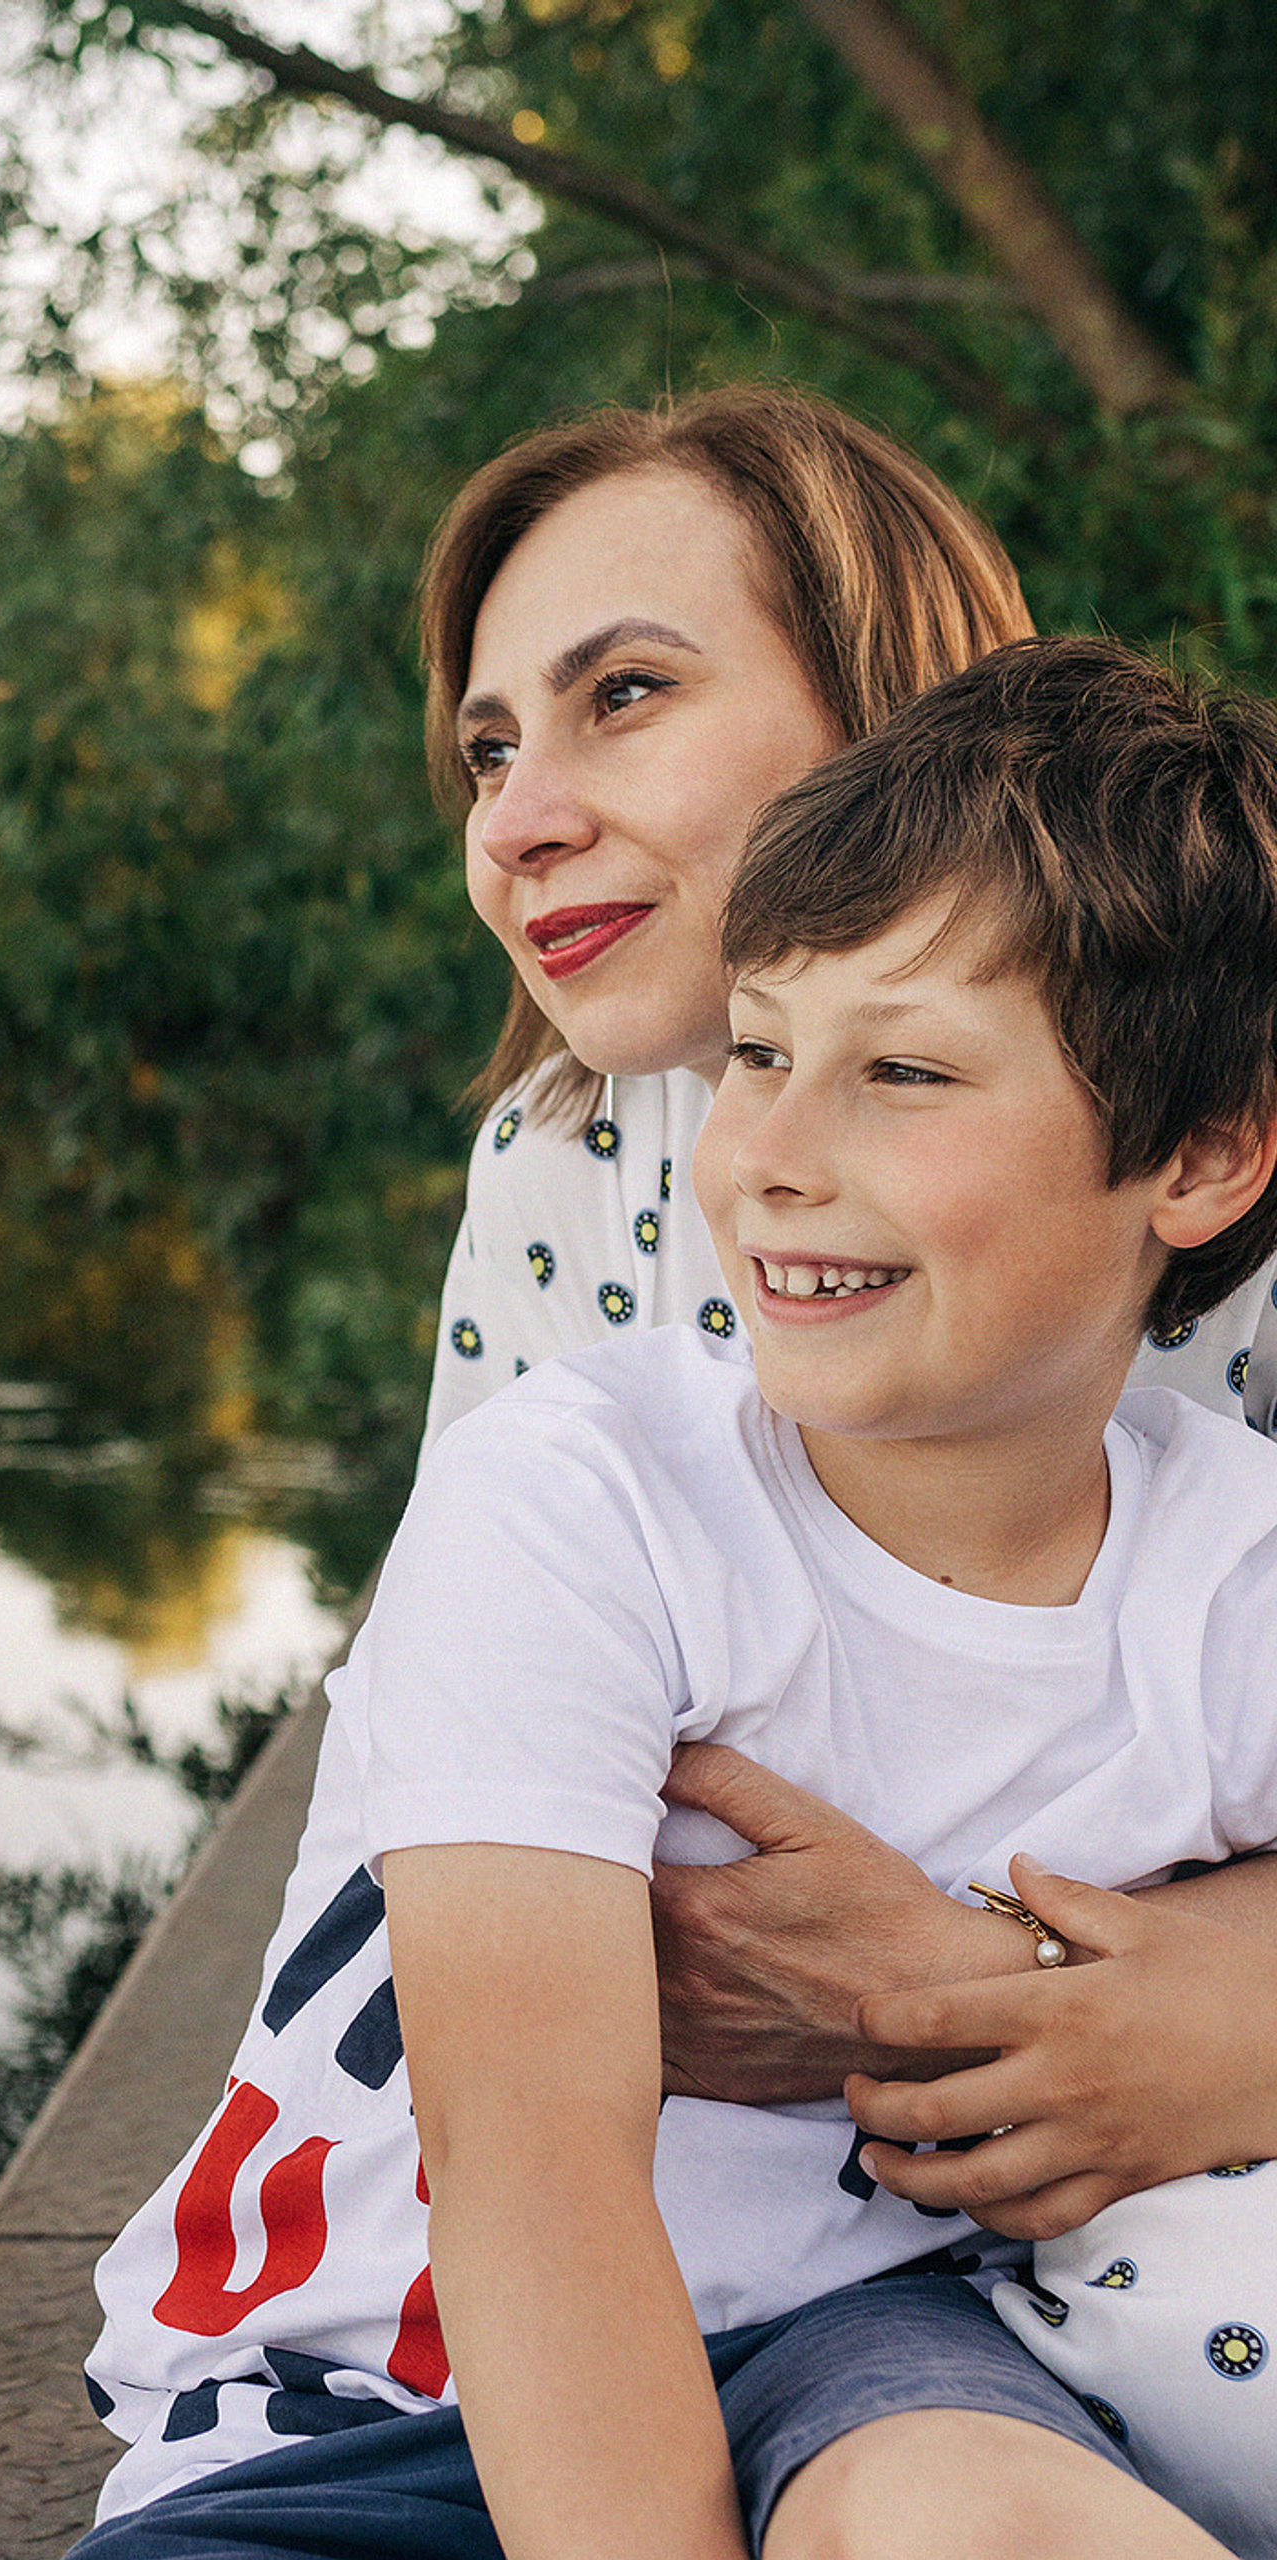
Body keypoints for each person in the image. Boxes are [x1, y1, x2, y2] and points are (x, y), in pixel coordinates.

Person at [72, 637, 1277, 2558]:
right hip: (382, 2381)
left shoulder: (1233, 1569)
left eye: (902, 1073)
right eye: (763, 1053)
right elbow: (531, 2168)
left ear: (1200, 1158)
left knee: (986, 2519)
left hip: (862, 2351)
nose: (771, 1159)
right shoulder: (581, 1499)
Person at [412, 385, 1277, 2234]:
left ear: (897, 719)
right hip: (736, 2216)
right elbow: (491, 1780)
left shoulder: (1193, 1139)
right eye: (487, 751)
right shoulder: (557, 1158)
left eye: (621, 693)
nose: (518, 822)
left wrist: (1137, 1997)